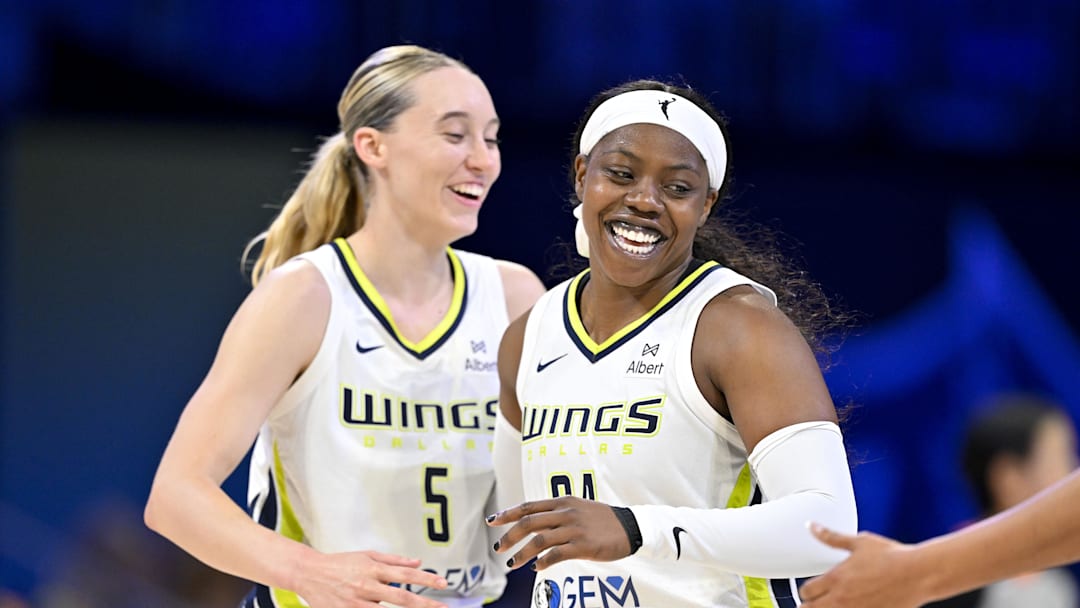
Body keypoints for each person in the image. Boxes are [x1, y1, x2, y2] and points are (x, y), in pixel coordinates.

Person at [144, 44, 545, 608]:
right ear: (373, 146)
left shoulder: (514, 297)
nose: (483, 159)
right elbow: (175, 496)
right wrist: (310, 572)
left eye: (492, 137)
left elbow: (569, 479)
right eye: (455, 135)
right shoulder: (303, 297)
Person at [485, 79, 858, 607]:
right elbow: (510, 529)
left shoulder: (736, 327)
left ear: (705, 205)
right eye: (620, 173)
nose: (643, 200)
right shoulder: (528, 336)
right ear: (581, 175)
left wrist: (640, 529)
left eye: (677, 188)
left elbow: (830, 526)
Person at [801, 396, 1080, 608]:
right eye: (1063, 457)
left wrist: (911, 572)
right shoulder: (958, 590)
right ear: (1008, 477)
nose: (1072, 469)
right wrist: (911, 572)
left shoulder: (1057, 585)